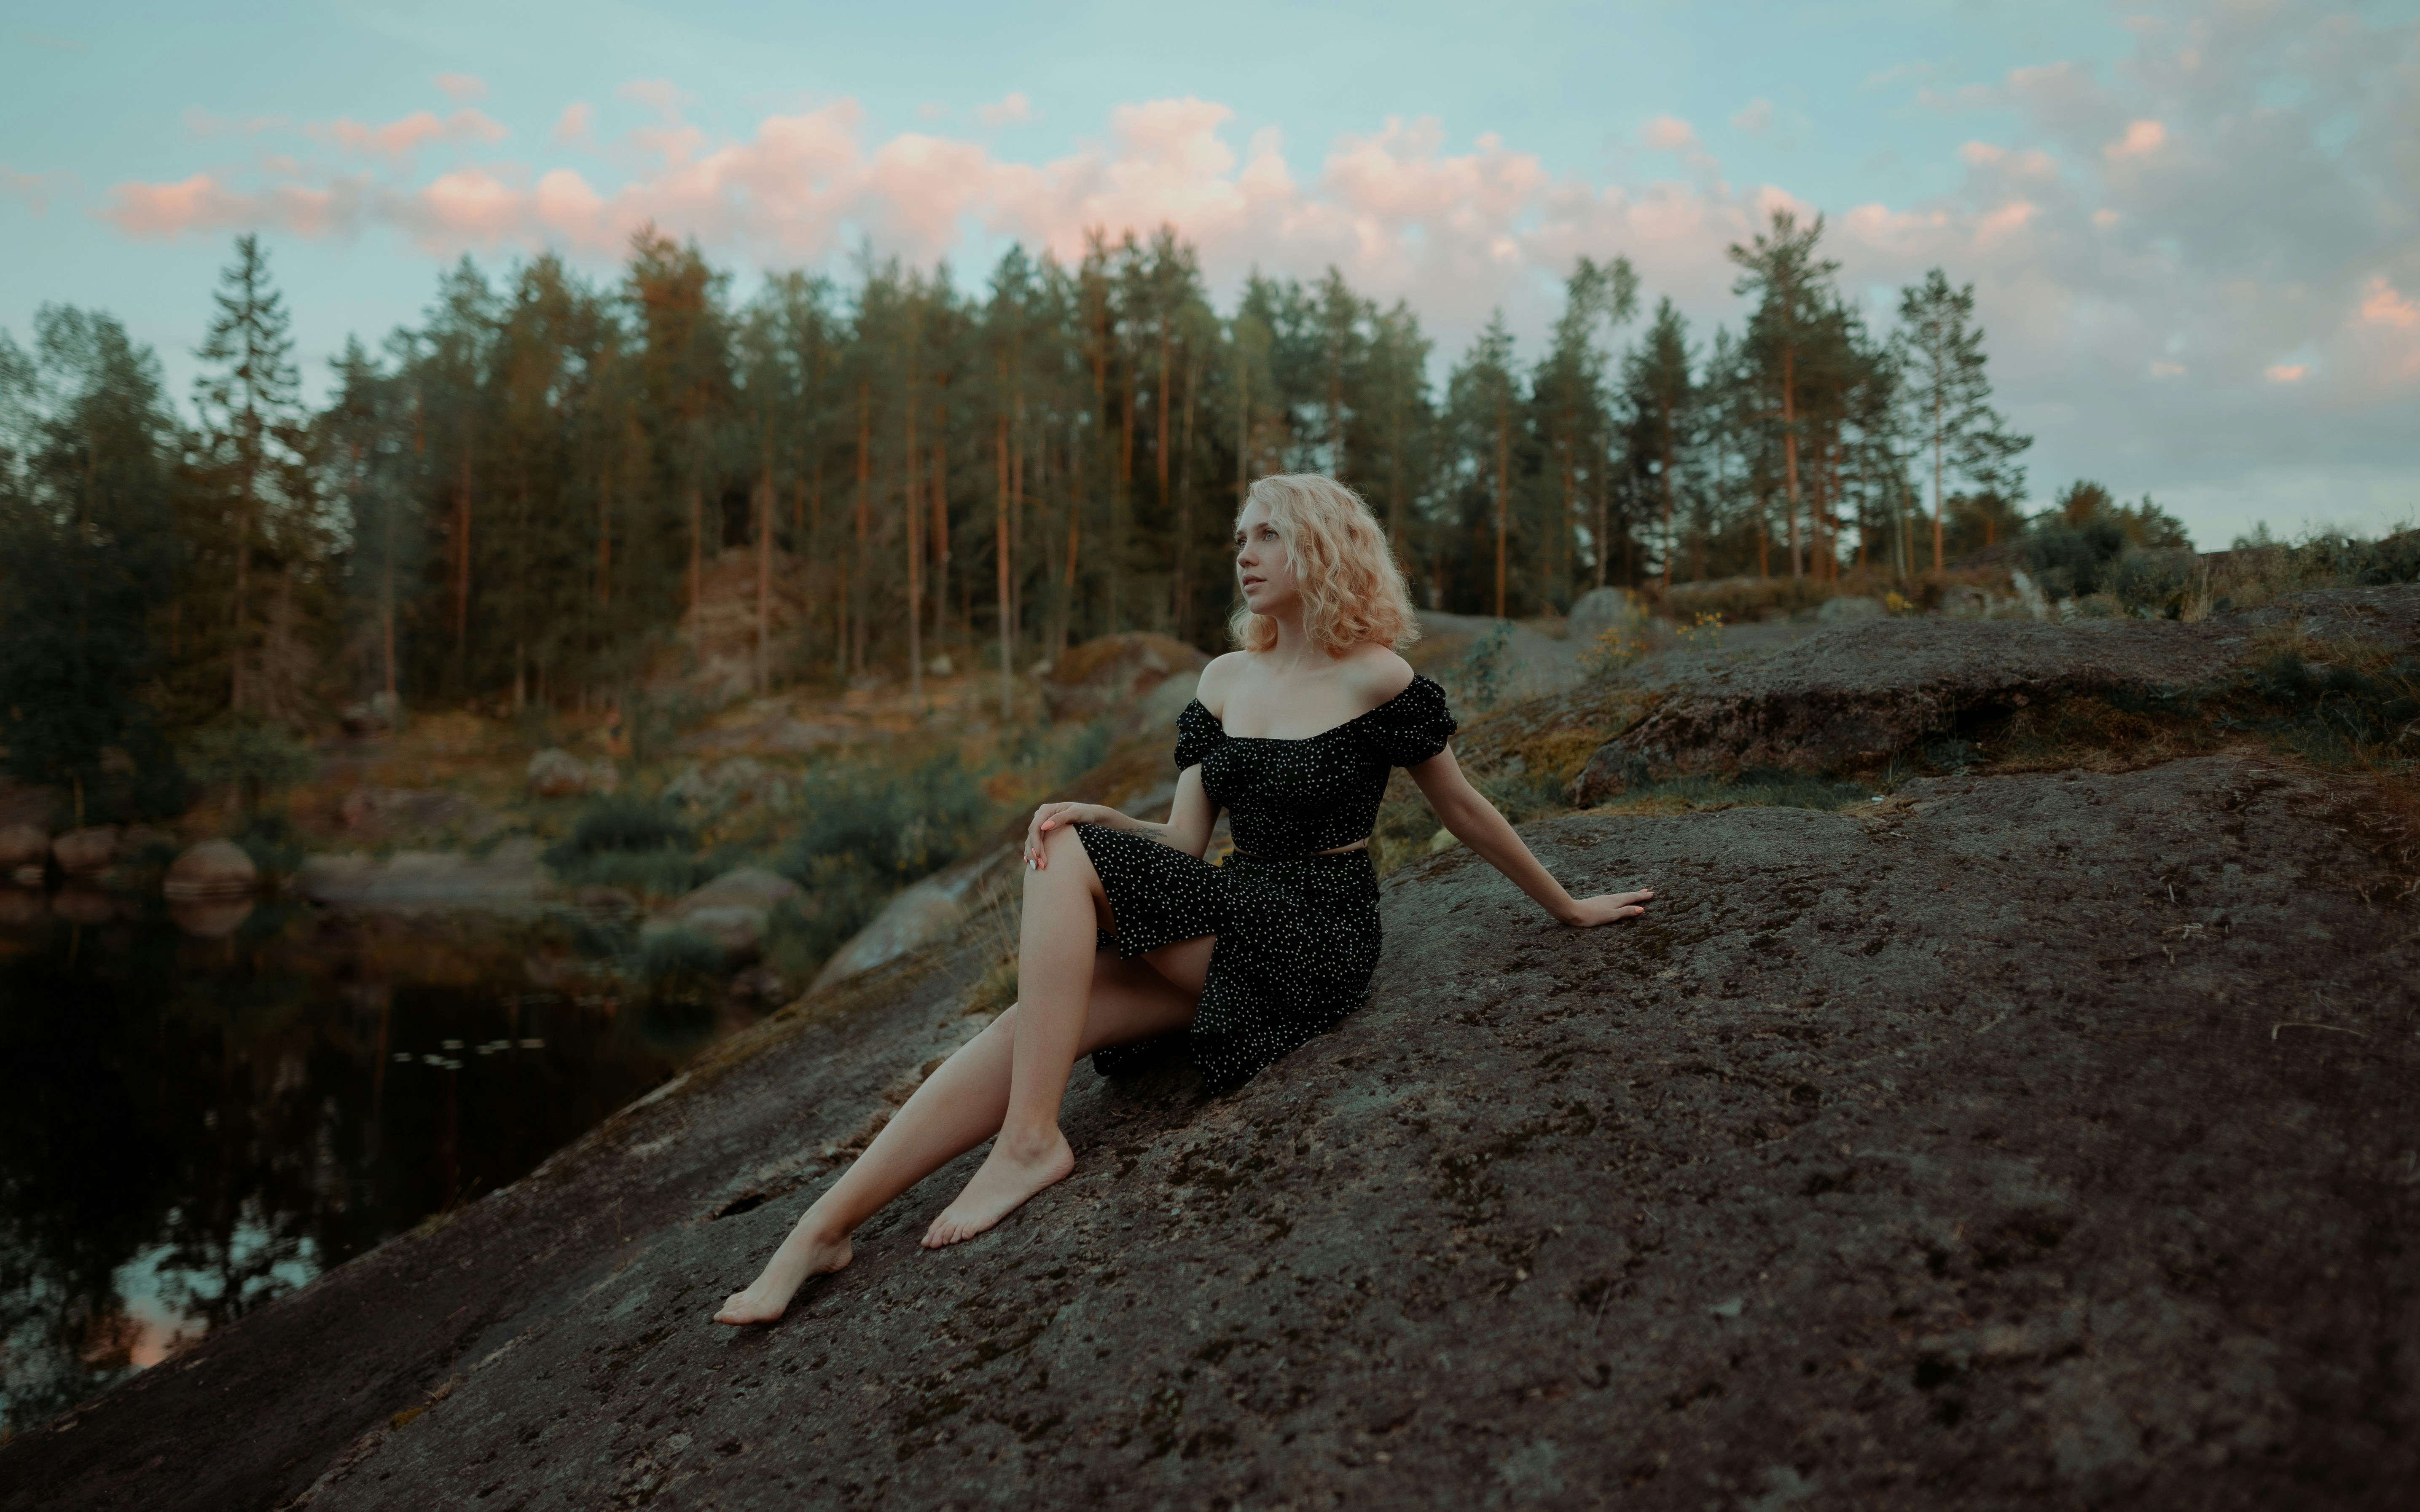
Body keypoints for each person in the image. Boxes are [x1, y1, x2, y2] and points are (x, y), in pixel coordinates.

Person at [715, 474, 1653, 1325]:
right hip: (1228, 916)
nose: (1244, 555)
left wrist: (1566, 906)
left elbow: (1464, 808)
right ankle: (820, 1231)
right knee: (1031, 1015)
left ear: (1322, 548)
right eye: (1240, 538)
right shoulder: (1223, 680)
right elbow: (1183, 848)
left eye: (1267, 537)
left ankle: (1033, 1141)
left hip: (1317, 934)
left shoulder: (1378, 676)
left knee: (1070, 873)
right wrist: (1104, 817)